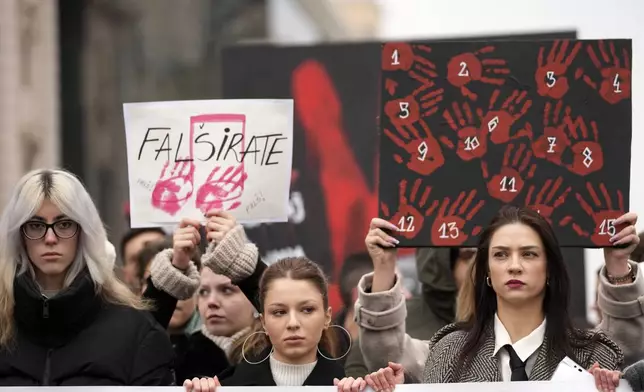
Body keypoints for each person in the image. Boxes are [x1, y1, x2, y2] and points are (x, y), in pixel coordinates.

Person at [355, 206, 635, 386]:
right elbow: (384, 352)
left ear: (549, 268)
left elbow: (631, 348)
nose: (514, 265)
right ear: (486, 270)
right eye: (500, 255)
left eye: (529, 254)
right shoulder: (449, 353)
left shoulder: (592, 354)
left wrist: (619, 266)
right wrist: (383, 266)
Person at [0, 168, 174, 385]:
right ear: (19, 235)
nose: (51, 238)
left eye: (64, 224)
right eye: (36, 226)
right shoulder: (4, 325)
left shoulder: (135, 330)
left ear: (84, 231)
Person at [183, 211, 347, 390]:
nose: (293, 323)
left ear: (327, 317)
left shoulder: (351, 387)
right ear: (263, 321)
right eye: (279, 312)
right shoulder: (226, 386)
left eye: (307, 310)